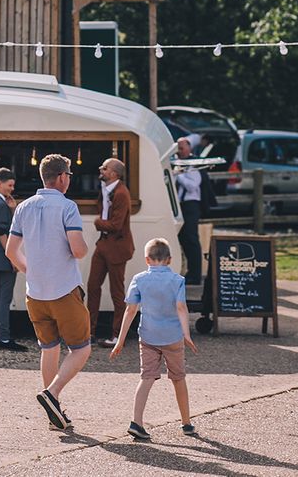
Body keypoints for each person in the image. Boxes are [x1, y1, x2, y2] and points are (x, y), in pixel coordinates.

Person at [6, 154, 91, 431]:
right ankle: (52, 394)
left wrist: (28, 269)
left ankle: (53, 415)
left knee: (49, 348)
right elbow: (77, 250)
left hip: (36, 292)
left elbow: (11, 251)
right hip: (64, 289)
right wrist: (85, 248)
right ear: (63, 177)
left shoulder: (23, 207)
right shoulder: (68, 207)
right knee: (81, 348)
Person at [110, 237, 198, 440]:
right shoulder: (178, 281)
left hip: (148, 336)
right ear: (169, 259)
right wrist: (186, 334)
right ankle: (186, 422)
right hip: (173, 337)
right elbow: (181, 307)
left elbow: (131, 310)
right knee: (178, 378)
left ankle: (136, 421)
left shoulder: (139, 279)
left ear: (147, 259)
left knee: (146, 377)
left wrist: (121, 339)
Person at [87, 158, 134, 348]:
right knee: (92, 287)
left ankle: (116, 335)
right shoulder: (106, 188)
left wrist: (98, 223)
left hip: (117, 247)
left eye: (104, 168)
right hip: (103, 244)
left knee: (117, 292)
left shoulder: (121, 193)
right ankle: (89, 331)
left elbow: (115, 225)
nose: (101, 169)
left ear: (114, 174)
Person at [0, 167, 26, 352]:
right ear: (0, 183)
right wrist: (13, 257)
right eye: (10, 185)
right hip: (4, 256)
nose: (12, 189)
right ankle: (5, 337)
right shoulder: (0, 205)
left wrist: (13, 209)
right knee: (4, 298)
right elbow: (2, 233)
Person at [175, 136, 203, 285]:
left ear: (189, 148)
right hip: (180, 204)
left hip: (191, 204)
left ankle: (195, 275)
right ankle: (189, 273)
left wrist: (179, 176)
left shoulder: (193, 164)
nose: (179, 151)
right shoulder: (177, 163)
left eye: (182, 148)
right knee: (183, 239)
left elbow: (193, 186)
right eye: (178, 148)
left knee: (191, 239)